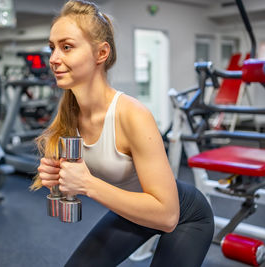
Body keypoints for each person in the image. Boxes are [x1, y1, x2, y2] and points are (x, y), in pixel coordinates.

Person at [32, 1, 214, 266]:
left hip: (184, 214)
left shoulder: (132, 115)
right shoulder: (69, 113)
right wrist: (56, 176)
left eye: (66, 47)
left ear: (100, 53)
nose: (53, 59)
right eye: (52, 48)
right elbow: (77, 176)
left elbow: (167, 215)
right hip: (131, 210)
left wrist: (86, 184)